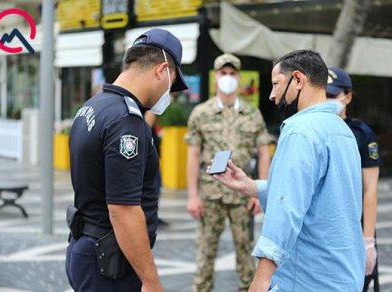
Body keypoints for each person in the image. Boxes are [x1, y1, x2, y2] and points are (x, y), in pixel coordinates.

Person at [212, 50, 365, 291]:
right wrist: (251, 186)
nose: (272, 95)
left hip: (306, 278)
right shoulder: (342, 129)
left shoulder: (300, 131)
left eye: (276, 84)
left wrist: (261, 279)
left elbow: (286, 210)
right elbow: (324, 194)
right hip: (344, 277)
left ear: (298, 79)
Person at [65, 28, 188, 292]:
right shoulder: (126, 122)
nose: (169, 93)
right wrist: (151, 281)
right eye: (172, 82)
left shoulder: (93, 107)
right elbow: (122, 210)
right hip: (108, 264)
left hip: (86, 247)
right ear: (161, 71)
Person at [185, 53, 272, 292]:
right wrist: (193, 195)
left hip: (243, 196)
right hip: (210, 195)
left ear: (239, 77)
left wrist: (258, 191)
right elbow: (193, 155)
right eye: (223, 73)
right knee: (205, 254)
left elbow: (264, 151)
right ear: (215, 78)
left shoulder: (252, 113)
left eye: (232, 73)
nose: (228, 77)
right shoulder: (201, 113)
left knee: (247, 256)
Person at [326, 67, 383, 292]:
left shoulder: (362, 134)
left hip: (353, 224)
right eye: (323, 95)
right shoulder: (311, 128)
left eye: (332, 96)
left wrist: (367, 241)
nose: (327, 101)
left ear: (347, 96)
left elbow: (370, 191)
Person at [144, 111, 168, 226]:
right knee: (154, 186)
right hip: (148, 157)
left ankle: (153, 215)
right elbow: (146, 127)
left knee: (156, 186)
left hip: (151, 155)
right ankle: (150, 216)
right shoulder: (148, 109)